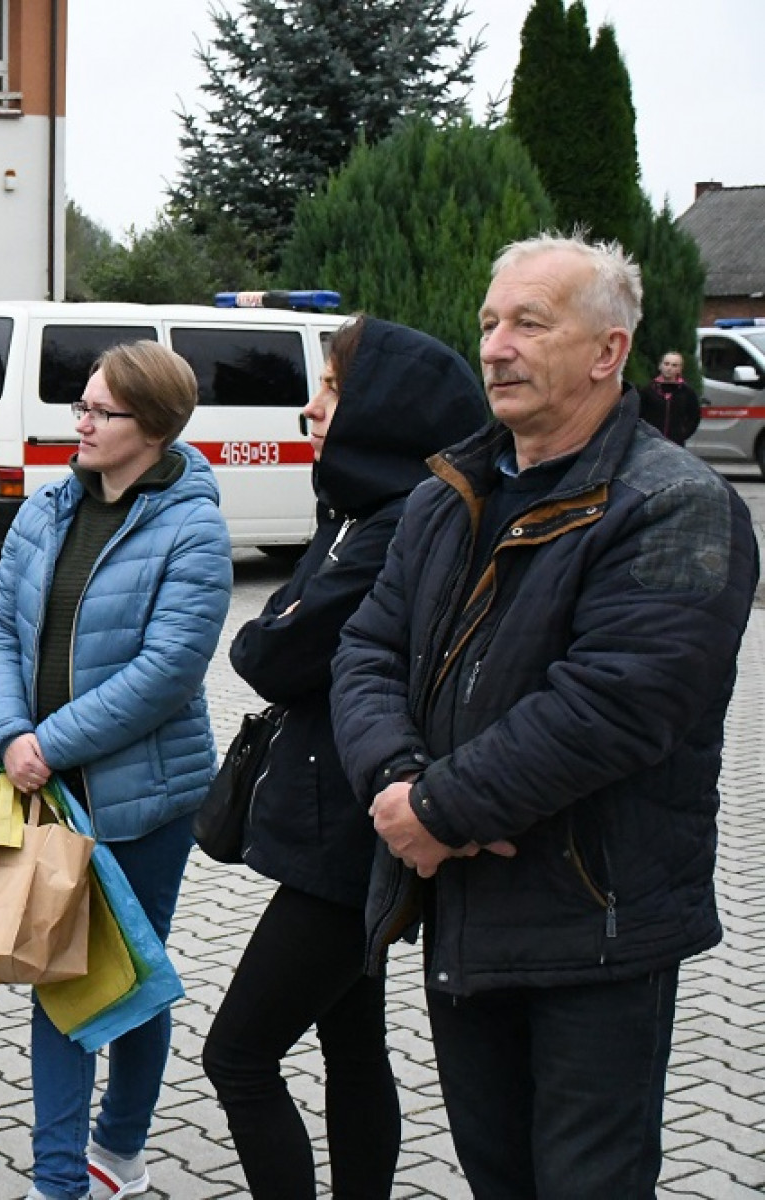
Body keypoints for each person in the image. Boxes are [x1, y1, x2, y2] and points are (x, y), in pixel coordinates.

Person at [331, 234, 758, 1197]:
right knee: (498, 1176)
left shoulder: (676, 504)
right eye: (489, 323)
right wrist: (398, 784)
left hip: (595, 925)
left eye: (530, 323)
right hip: (462, 908)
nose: (495, 347)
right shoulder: (447, 496)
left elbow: (616, 703)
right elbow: (365, 651)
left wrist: (438, 812)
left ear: (609, 351)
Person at [203, 317, 488, 1200]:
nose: (311, 406)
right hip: (341, 816)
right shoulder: (361, 510)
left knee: (237, 1054)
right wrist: (282, 622)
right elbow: (282, 632)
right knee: (351, 1040)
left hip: (353, 837)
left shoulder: (398, 523)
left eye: (331, 387)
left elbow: (270, 653)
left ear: (383, 406)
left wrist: (279, 626)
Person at [0, 341, 233, 1200]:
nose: (80, 423)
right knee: (59, 975)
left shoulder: (193, 527)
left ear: (153, 428)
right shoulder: (49, 507)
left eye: (100, 411)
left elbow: (168, 671)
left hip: (143, 802)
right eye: (80, 406)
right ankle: (60, 1181)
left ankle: (120, 1146)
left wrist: (49, 743)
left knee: (130, 979)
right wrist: (10, 733)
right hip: (46, 792)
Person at [639, 349, 702, 446]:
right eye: (666, 364)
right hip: (650, 443)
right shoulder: (648, 390)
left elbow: (694, 417)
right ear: (660, 366)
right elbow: (639, 416)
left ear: (680, 369)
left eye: (674, 365)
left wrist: (682, 434)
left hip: (675, 444)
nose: (669, 368)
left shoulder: (687, 392)